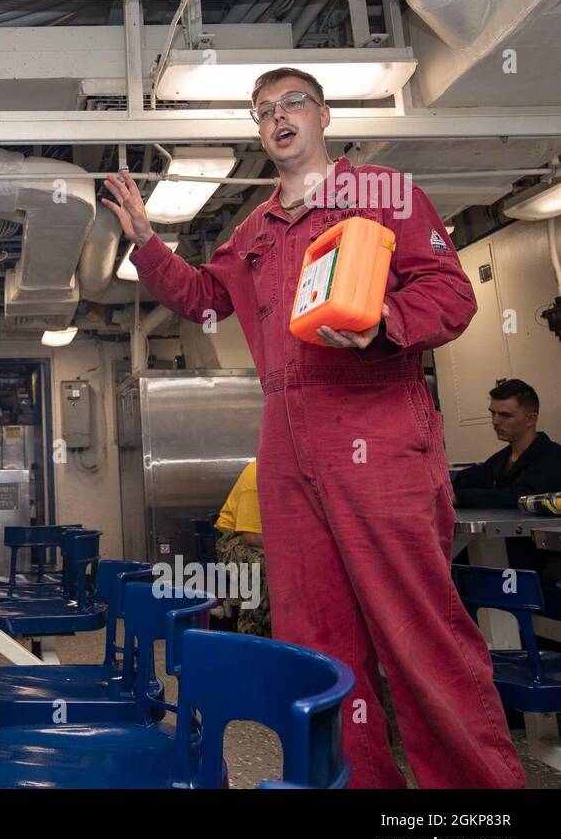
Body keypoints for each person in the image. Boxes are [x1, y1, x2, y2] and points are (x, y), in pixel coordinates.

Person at [103, 67, 525, 789]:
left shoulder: (382, 195)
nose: (277, 117)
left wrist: (385, 322)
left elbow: (450, 294)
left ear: (324, 114)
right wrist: (147, 243)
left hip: (376, 421)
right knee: (316, 638)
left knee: (416, 631)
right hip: (285, 439)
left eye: (292, 102)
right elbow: (206, 301)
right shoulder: (254, 229)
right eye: (262, 110)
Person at [453, 379, 561, 508]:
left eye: (505, 415)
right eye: (493, 413)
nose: (496, 421)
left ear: (531, 419)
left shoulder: (553, 458)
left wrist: (460, 498)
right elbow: (469, 478)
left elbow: (524, 497)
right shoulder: (499, 460)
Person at [211, 461, 270, 637]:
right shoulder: (257, 476)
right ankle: (252, 636)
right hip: (234, 539)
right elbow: (251, 536)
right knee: (262, 566)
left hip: (272, 537)